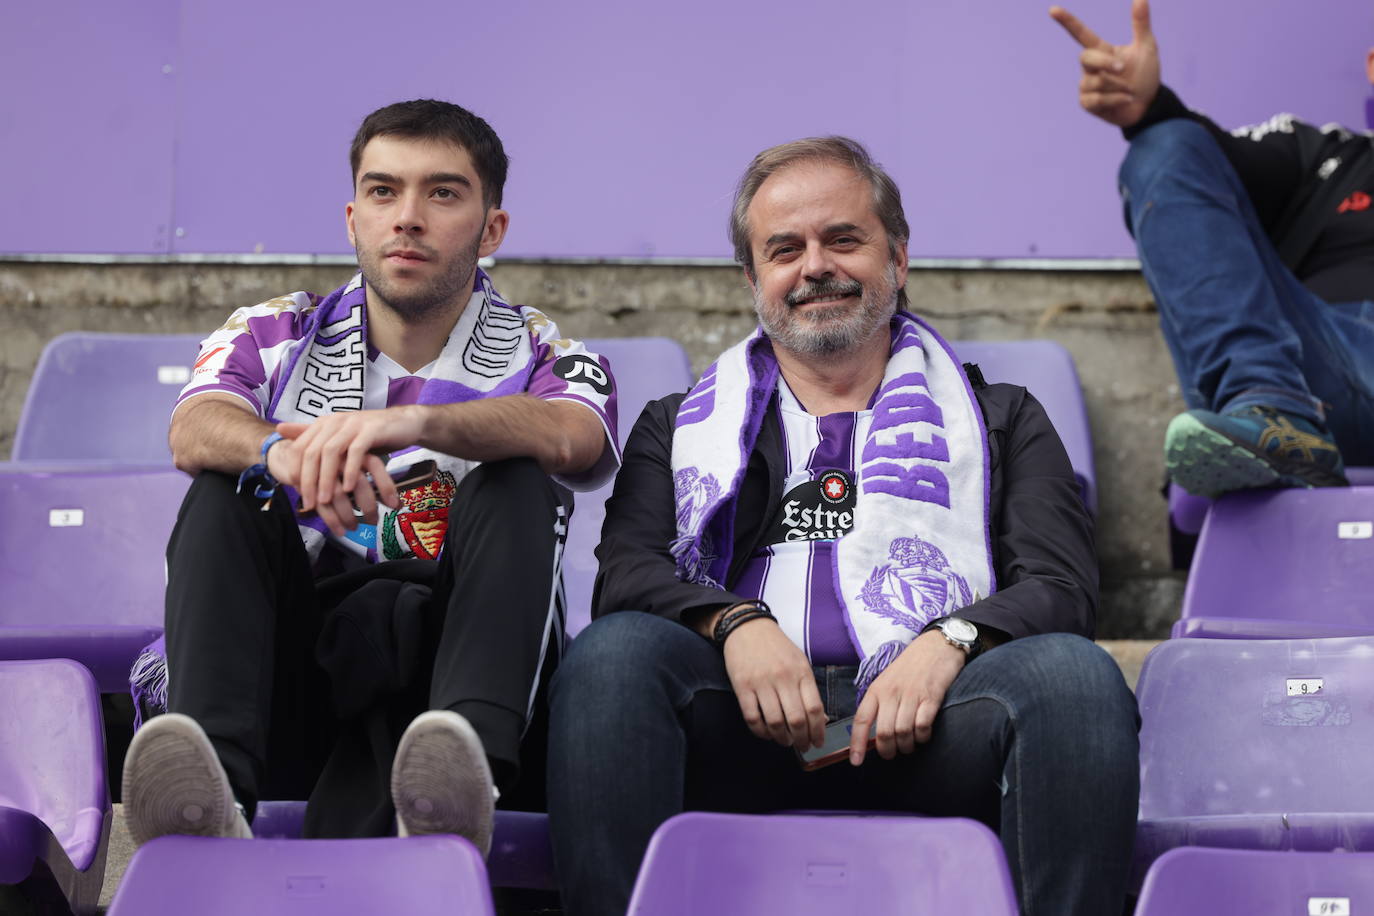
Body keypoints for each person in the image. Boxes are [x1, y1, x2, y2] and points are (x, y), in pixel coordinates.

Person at [546, 137, 1139, 916]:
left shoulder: (1002, 421)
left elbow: (1062, 587)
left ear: (897, 259)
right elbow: (628, 572)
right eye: (785, 249)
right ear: (753, 278)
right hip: (737, 717)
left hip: (937, 722)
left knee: (1073, 678)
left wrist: (950, 642)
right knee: (611, 659)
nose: (815, 266)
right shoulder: (678, 426)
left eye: (844, 239)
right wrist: (732, 622)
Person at [121, 99, 619, 854]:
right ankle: (213, 798)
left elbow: (576, 435)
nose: (408, 218)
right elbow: (192, 429)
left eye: (442, 193)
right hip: (303, 673)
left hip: (471, 669)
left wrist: (418, 423)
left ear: (492, 230)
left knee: (519, 478)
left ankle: (464, 784)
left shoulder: (543, 348)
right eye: (384, 192)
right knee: (227, 487)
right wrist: (276, 453)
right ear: (353, 217)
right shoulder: (274, 329)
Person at [1051, 0, 1374, 497]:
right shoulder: (1322, 154)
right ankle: (1273, 414)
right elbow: (1197, 159)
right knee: (1164, 147)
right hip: (1316, 375)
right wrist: (1153, 108)